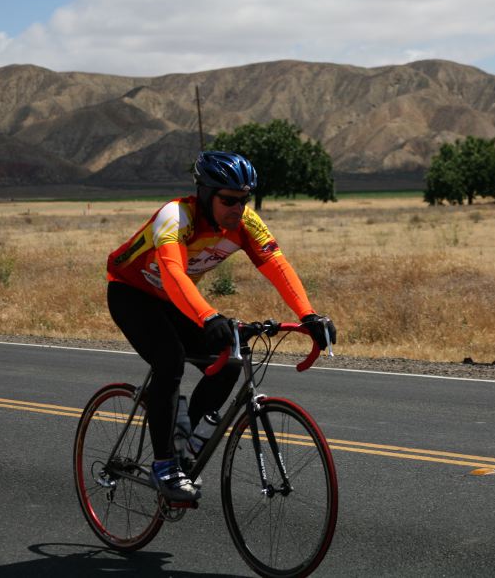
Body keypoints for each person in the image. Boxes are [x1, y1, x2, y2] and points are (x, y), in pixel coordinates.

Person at [105, 150, 336, 502]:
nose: (238, 208)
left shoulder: (246, 223)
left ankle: (183, 443)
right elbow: (173, 273)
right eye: (229, 200)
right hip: (130, 293)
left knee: (230, 358)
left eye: (244, 200)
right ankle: (164, 466)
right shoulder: (176, 216)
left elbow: (277, 265)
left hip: (174, 300)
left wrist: (308, 315)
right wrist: (209, 317)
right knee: (169, 359)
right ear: (205, 194)